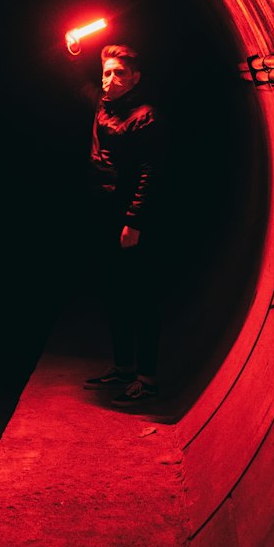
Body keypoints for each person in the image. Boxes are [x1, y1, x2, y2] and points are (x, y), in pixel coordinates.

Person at [83, 43, 163, 404]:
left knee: (142, 295)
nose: (109, 78)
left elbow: (152, 172)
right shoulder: (105, 106)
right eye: (106, 72)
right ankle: (124, 367)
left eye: (118, 73)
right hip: (105, 212)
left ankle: (146, 380)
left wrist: (134, 222)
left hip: (129, 217)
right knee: (116, 293)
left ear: (135, 78)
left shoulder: (145, 116)